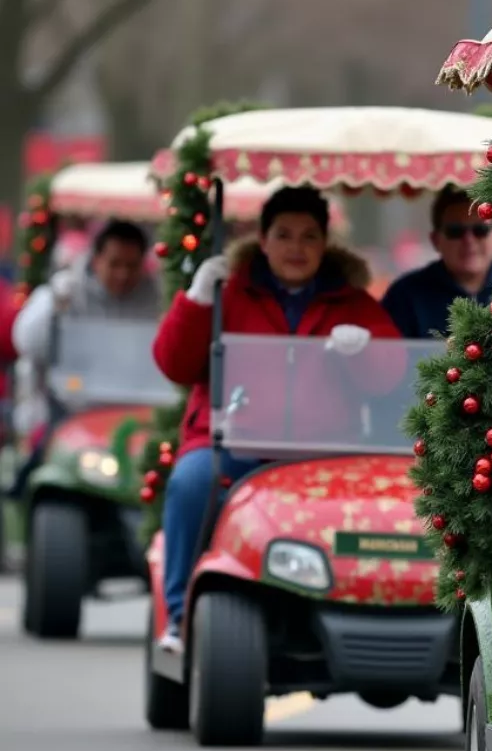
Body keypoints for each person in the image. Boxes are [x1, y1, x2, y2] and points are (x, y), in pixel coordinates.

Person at [152, 185, 400, 652]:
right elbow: (174, 364)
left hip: (324, 452)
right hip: (233, 443)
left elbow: (386, 380)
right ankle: (180, 617)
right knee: (190, 481)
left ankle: (364, 608)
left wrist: (362, 352)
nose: (296, 248)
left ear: (324, 244)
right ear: (263, 241)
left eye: (309, 237)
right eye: (284, 235)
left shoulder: (351, 303)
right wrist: (198, 300)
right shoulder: (230, 295)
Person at [8, 219, 160, 497]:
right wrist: (53, 306)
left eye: (131, 266)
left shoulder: (156, 298)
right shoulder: (68, 290)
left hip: (140, 407)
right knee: (46, 455)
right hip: (78, 405)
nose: (123, 274)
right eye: (115, 264)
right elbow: (26, 341)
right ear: (97, 259)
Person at [381, 186, 492, 338]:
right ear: (435, 240)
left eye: (480, 230)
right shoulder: (404, 297)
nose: (469, 240)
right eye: (455, 231)